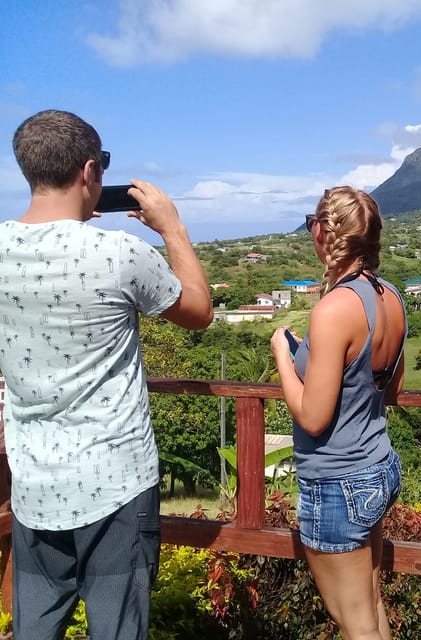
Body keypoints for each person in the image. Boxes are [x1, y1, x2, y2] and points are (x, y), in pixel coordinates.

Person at [0, 109, 213, 640]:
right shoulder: (117, 253)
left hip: (32, 485)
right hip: (114, 482)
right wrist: (173, 228)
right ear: (91, 171)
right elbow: (198, 312)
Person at [271, 186, 407, 640]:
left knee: (351, 618)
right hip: (377, 465)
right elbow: (391, 389)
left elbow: (312, 418)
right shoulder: (390, 296)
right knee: (367, 605)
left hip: (337, 479)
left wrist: (283, 359)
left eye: (314, 223)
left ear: (325, 234)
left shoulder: (333, 309)